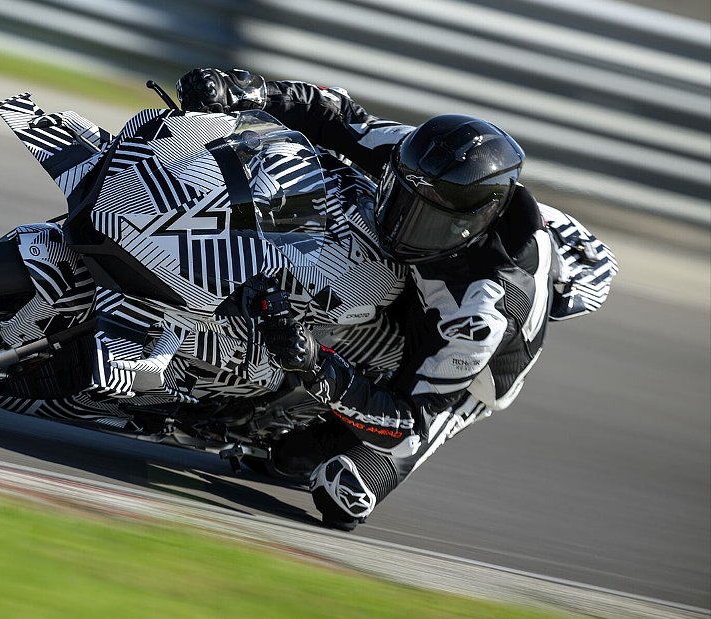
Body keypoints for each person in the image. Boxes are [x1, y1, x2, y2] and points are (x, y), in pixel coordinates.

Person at [176, 68, 559, 530]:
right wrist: (241, 90)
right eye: (399, 199)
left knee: (337, 490)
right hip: (408, 284)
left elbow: (408, 424)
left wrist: (317, 363)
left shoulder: (483, 312)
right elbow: (331, 113)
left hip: (457, 374)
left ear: (471, 225)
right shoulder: (420, 166)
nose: (401, 222)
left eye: (423, 219)